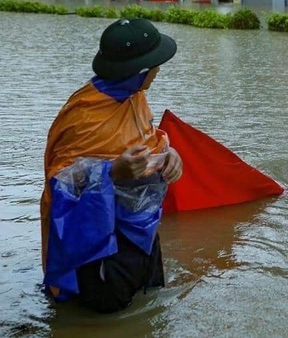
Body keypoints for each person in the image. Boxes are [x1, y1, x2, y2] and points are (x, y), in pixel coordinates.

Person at [40, 18, 182, 313]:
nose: (158, 71)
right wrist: (110, 172)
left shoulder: (136, 98)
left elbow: (150, 140)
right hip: (98, 242)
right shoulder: (83, 117)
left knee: (148, 304)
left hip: (139, 229)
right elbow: (61, 184)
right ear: (138, 71)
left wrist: (170, 154)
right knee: (105, 312)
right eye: (155, 65)